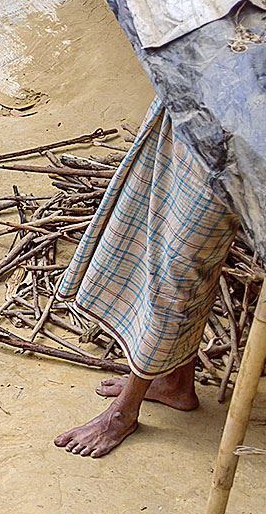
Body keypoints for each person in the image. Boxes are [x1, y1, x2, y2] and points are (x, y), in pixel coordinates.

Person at [53, 104, 236, 458]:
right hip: (197, 105)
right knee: (175, 249)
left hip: (241, 135)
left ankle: (124, 412)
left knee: (180, 265)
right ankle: (175, 382)